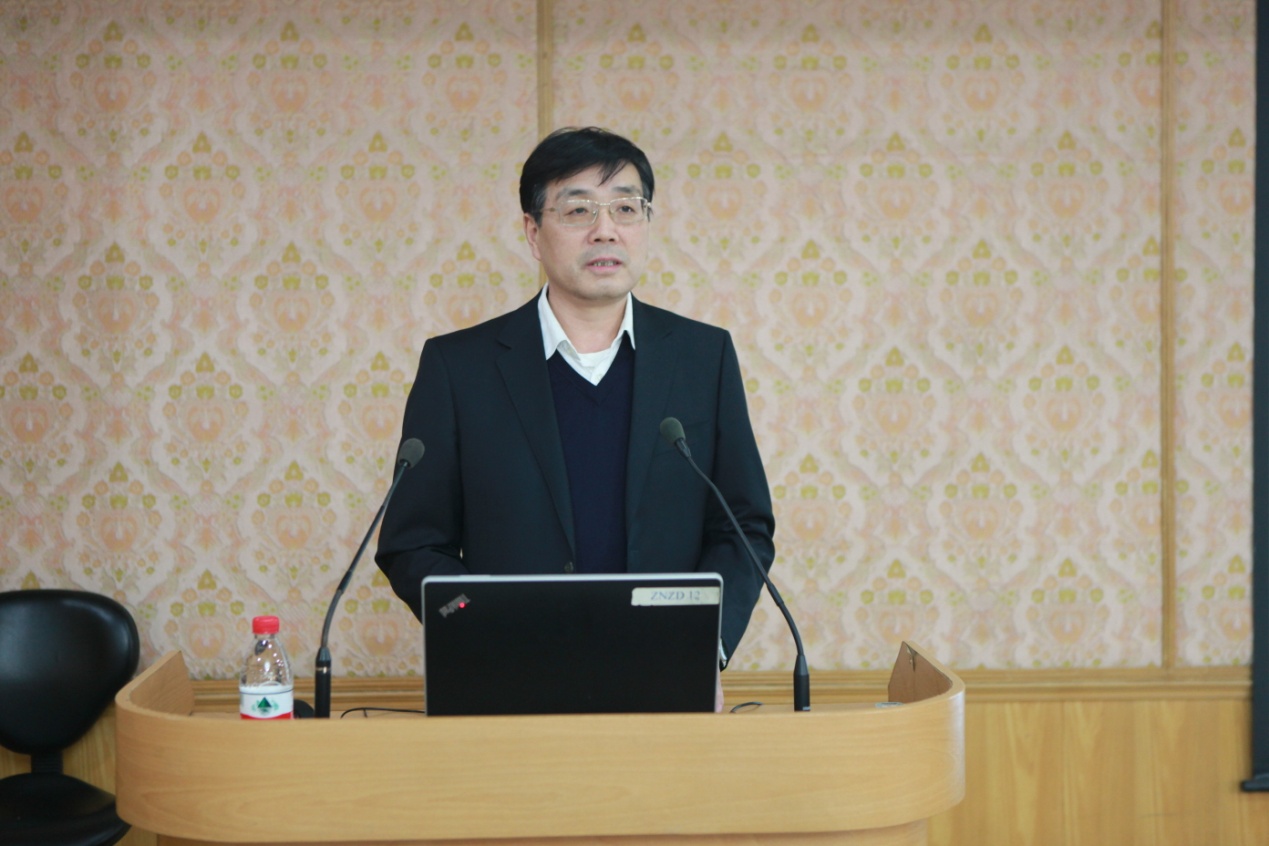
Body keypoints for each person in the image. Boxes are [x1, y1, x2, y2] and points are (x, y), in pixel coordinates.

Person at [375, 126, 775, 673]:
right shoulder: (459, 368)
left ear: (647, 222)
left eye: (626, 209)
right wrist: (485, 634)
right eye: (578, 210)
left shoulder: (704, 358)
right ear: (533, 233)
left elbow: (743, 526)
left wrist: (705, 645)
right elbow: (414, 543)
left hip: (666, 673)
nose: (605, 231)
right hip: (509, 679)